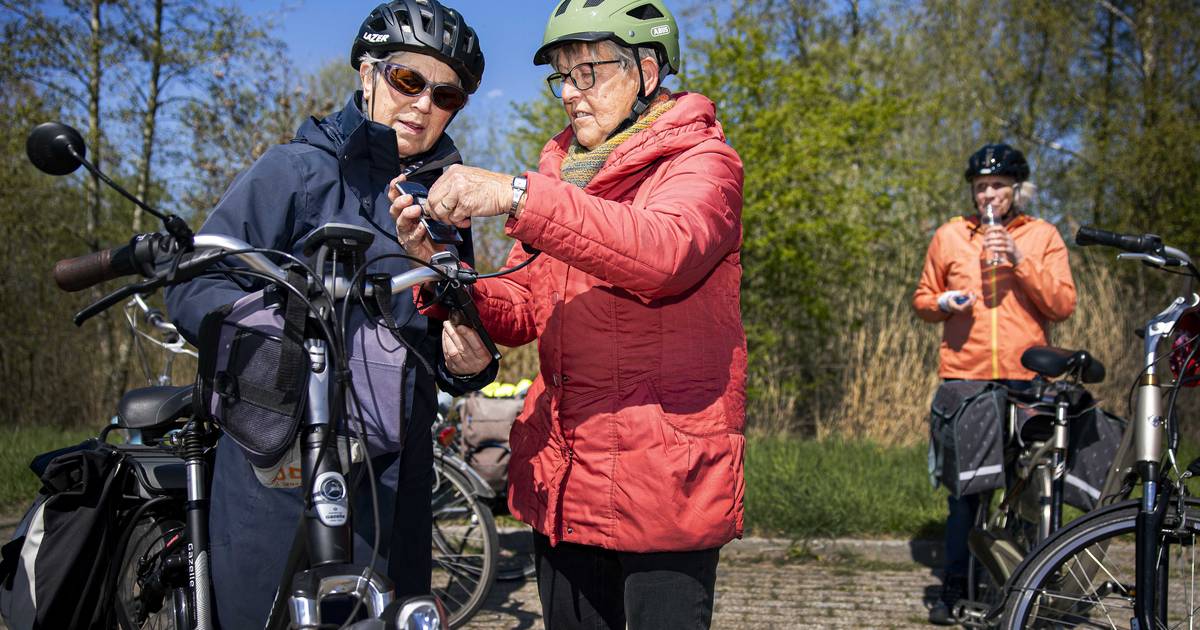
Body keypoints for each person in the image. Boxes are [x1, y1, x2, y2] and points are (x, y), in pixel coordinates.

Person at [389, 1, 745, 627]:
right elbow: (524, 306)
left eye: (590, 73)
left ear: (649, 70)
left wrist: (516, 194)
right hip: (565, 476)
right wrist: (442, 267)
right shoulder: (564, 177)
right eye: (561, 76)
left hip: (661, 483)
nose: (571, 94)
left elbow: (662, 254)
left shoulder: (703, 164)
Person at [164, 1, 496, 626]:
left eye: (446, 93)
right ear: (367, 75)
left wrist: (470, 356)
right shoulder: (291, 172)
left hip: (395, 478)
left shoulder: (447, 206)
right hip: (280, 465)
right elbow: (193, 282)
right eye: (407, 80)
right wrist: (272, 362)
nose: (424, 103)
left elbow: (451, 340)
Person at [912, 143, 1077, 625]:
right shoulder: (949, 236)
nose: (989, 195)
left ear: (1016, 190)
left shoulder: (1043, 235)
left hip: (1027, 379)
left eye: (999, 186)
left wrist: (1020, 258)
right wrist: (942, 303)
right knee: (965, 492)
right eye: (981, 186)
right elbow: (922, 300)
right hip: (966, 378)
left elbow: (1062, 305)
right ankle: (955, 588)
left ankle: (1025, 588)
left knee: (1028, 490)